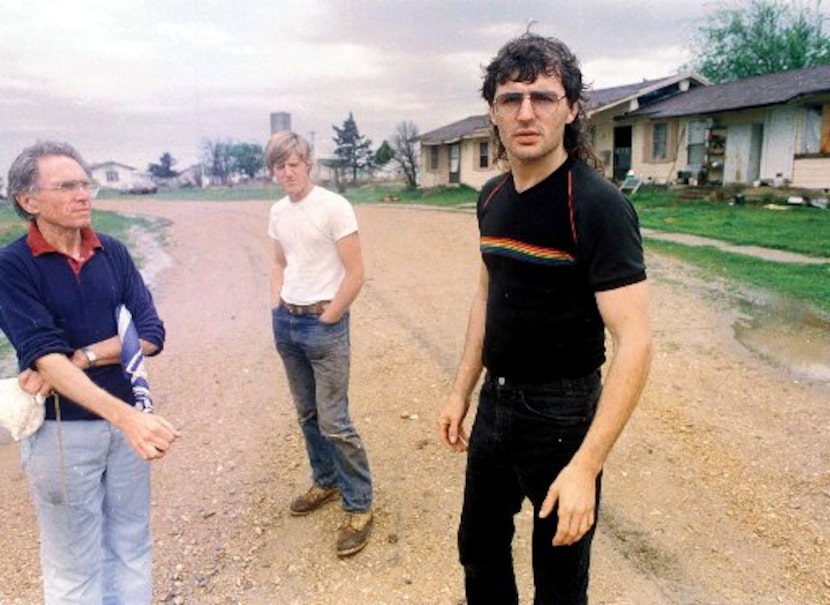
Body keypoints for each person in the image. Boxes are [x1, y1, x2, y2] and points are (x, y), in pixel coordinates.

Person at [438, 33, 653, 604]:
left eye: (543, 96)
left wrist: (587, 465)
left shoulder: (598, 204)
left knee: (557, 578)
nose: (526, 112)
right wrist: (461, 389)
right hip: (496, 405)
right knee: (478, 547)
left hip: (563, 412)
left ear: (572, 108)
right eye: (511, 98)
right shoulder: (491, 198)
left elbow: (634, 342)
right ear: (493, 111)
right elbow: (487, 295)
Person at [0, 141, 181, 604]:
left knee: (131, 549)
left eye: (85, 183)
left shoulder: (112, 251)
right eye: (67, 186)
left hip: (125, 429)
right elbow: (43, 356)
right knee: (74, 567)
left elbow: (150, 333)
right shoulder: (12, 266)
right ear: (28, 200)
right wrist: (129, 417)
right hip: (63, 433)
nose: (84, 195)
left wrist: (81, 356)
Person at [265, 131, 374, 557]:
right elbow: (278, 262)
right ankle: (326, 480)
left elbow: (356, 273)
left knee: (334, 421)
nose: (288, 171)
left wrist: (330, 315)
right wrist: (276, 306)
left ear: (308, 163)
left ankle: (359, 504)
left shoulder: (334, 206)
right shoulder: (277, 211)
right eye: (280, 165)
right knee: (307, 414)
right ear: (273, 169)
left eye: (294, 163)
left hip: (323, 326)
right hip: (287, 323)